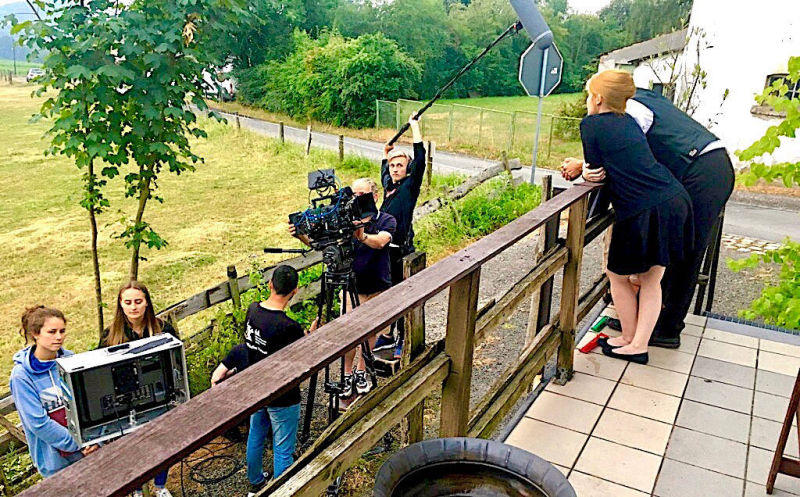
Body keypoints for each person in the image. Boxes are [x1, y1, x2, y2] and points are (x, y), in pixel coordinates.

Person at [561, 85, 734, 348]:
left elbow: (621, 157)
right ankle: (644, 323)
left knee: (684, 251)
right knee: (664, 253)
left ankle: (666, 329)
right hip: (702, 166)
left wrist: (586, 169)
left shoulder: (631, 110)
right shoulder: (637, 100)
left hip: (703, 171)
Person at [578, 69, 694, 364]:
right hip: (673, 197)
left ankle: (634, 342)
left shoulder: (591, 125)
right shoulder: (628, 121)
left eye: (589, 95)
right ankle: (634, 341)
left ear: (598, 98)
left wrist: (586, 173)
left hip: (643, 207)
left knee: (617, 275)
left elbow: (596, 168)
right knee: (651, 280)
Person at [290, 178, 396, 400]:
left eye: (362, 195)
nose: (356, 199)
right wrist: (300, 233)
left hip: (377, 285)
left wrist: (362, 236)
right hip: (350, 287)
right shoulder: (343, 221)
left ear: (375, 196)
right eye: (353, 194)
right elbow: (319, 244)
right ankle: (347, 374)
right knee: (349, 334)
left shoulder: (386, 219)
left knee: (370, 332)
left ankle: (361, 371)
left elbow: (381, 242)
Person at [243, 265, 318, 497]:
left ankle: (255, 479)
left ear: (270, 285)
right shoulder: (289, 327)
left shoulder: (252, 310)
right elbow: (301, 358)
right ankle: (283, 491)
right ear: (295, 291)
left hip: (257, 389)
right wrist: (310, 337)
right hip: (283, 396)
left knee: (256, 434)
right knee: (283, 447)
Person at [98, 280, 177, 497]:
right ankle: (137, 490)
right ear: (120, 305)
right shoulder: (110, 336)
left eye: (138, 301)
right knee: (132, 449)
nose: (133, 307)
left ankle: (160, 486)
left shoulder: (163, 330)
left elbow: (175, 362)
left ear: (147, 303)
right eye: (128, 302)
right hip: (125, 401)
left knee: (161, 444)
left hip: (159, 397)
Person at [10, 306, 98, 478]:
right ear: (35, 333)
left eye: (62, 331)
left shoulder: (72, 360)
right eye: (52, 332)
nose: (58, 337)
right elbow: (38, 423)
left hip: (89, 452)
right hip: (55, 463)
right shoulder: (21, 376)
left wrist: (93, 439)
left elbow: (88, 404)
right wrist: (78, 443)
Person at [375, 114, 426, 359]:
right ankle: (388, 335)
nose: (395, 169)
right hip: (385, 252)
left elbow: (421, 161)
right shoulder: (389, 185)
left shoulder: (408, 187)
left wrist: (415, 127)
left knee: (403, 297)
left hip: (401, 252)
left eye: (400, 166)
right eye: (393, 166)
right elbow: (384, 171)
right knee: (389, 295)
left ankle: (403, 339)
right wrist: (386, 154)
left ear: (407, 170)